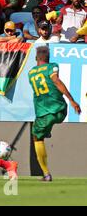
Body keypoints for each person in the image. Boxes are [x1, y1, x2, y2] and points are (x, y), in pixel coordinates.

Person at [28, 46, 81, 182]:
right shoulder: (53, 66)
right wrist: (72, 101)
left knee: (37, 137)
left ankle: (46, 174)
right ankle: (47, 130)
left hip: (44, 114)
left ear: (36, 58)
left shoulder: (31, 73)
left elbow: (53, 80)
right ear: (48, 57)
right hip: (61, 110)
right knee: (47, 125)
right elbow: (55, 80)